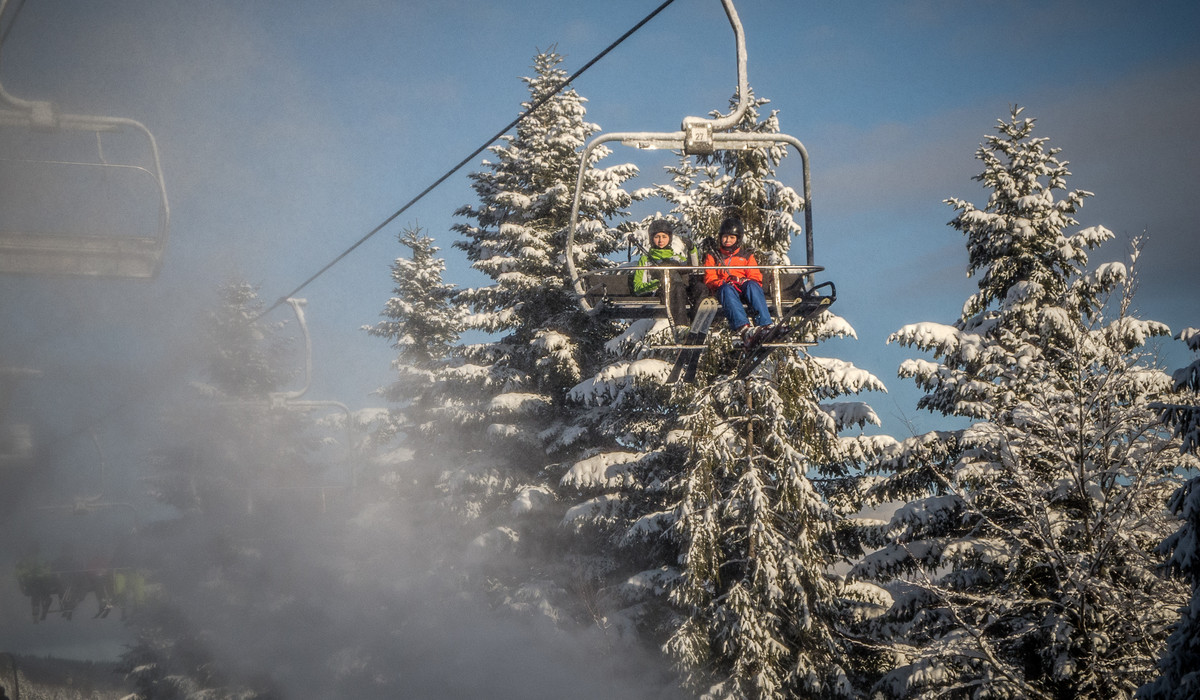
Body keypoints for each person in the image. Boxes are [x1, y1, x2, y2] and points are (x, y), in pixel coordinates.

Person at [704, 216, 783, 347]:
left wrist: (742, 280)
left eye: (731, 237)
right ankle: (743, 328)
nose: (727, 240)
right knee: (726, 289)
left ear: (738, 239)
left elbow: (755, 276)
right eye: (725, 237)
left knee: (752, 285)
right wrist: (722, 282)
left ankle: (765, 324)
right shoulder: (713, 256)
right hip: (726, 289)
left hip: (743, 287)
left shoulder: (745, 256)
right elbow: (709, 277)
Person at [632, 219, 704, 330]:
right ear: (652, 239)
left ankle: (697, 324)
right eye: (657, 237)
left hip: (681, 292)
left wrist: (692, 250)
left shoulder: (676, 258)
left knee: (700, 288)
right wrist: (656, 283)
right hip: (662, 292)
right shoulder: (646, 260)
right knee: (678, 287)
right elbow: (637, 288)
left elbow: (693, 269)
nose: (661, 240)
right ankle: (681, 326)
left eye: (664, 237)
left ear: (669, 238)